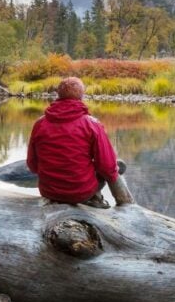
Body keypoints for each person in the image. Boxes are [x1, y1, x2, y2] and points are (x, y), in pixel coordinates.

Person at [27, 77, 120, 208]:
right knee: (108, 165)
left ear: (58, 94)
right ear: (82, 96)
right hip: (81, 193)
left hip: (48, 192)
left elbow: (32, 165)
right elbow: (107, 167)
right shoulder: (91, 124)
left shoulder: (40, 123)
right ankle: (96, 199)